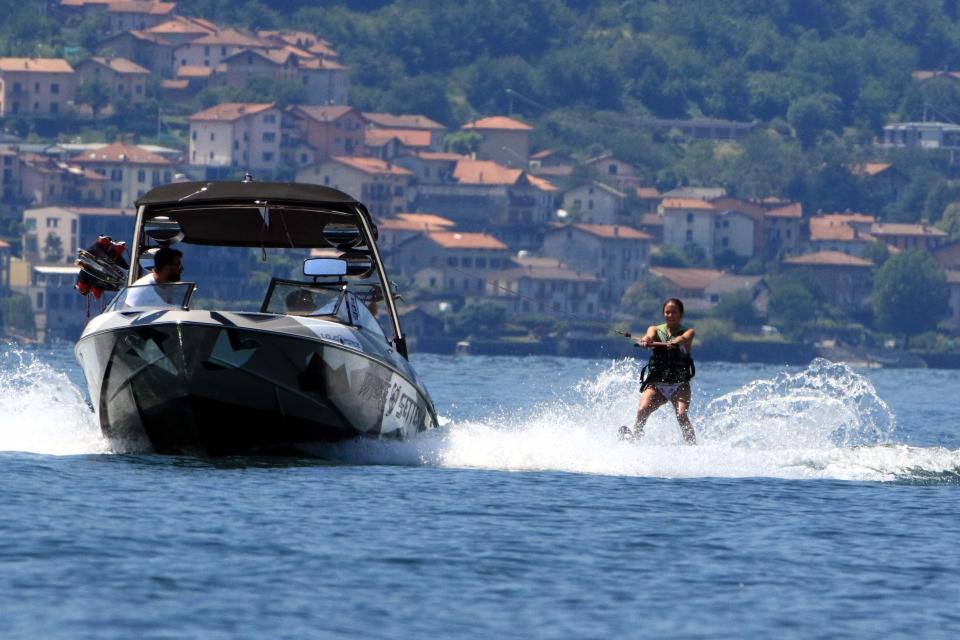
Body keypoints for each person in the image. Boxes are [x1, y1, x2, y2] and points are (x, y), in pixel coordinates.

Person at [620, 298, 697, 445]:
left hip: (679, 385)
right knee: (642, 410)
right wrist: (645, 341)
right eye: (667, 312)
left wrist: (675, 342)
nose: (670, 315)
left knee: (681, 415)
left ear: (680, 314)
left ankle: (694, 448)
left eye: (674, 312)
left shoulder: (688, 332)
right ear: (663, 313)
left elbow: (683, 338)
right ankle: (635, 440)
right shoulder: (655, 329)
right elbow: (648, 336)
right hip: (657, 385)